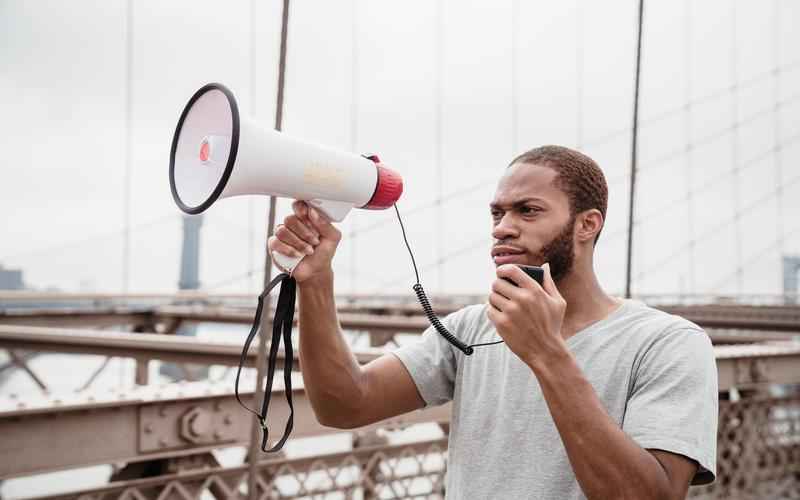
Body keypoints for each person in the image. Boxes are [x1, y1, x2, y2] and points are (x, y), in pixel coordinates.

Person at [268, 145, 718, 500]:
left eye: (528, 211)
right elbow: (345, 404)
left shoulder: (669, 344)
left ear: (587, 225)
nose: (503, 227)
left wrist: (546, 353)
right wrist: (316, 283)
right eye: (497, 213)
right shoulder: (470, 329)